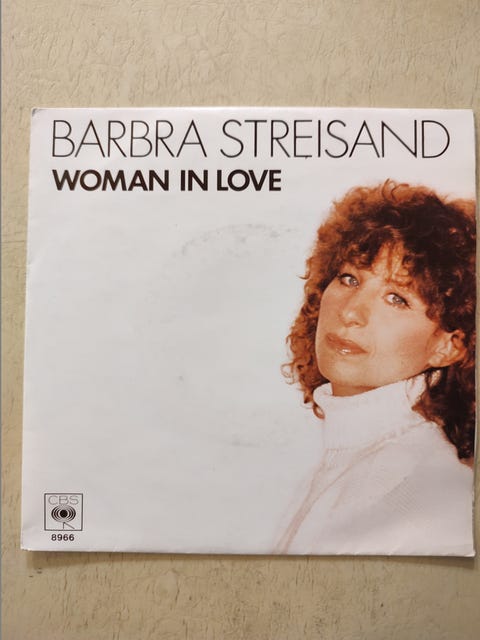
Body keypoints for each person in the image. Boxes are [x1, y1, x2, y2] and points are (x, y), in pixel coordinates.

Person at [277, 180, 476, 555]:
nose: (351, 312)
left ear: (448, 346)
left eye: (396, 298)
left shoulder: (430, 496)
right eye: (349, 278)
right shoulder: (338, 460)